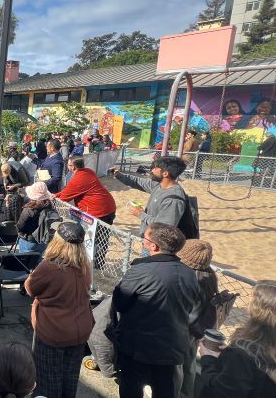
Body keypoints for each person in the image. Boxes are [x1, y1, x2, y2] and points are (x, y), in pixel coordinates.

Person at [112, 223, 198, 398]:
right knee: (164, 387)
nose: (143, 240)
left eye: (145, 237)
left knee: (131, 386)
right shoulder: (190, 273)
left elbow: (120, 303)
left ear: (154, 246)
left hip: (139, 346)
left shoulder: (142, 270)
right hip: (172, 345)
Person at [25, 222, 94, 397]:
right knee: (69, 380)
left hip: (53, 330)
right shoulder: (85, 264)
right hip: (80, 330)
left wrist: (33, 275)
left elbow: (30, 288)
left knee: (47, 382)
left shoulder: (50, 266)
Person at [197, 279, 276, 398]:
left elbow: (221, 391)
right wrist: (226, 356)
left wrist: (209, 360)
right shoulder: (272, 350)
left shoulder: (242, 354)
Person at [174, 239, 218, 398]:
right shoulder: (210, 275)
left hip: (180, 330)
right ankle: (186, 394)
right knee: (189, 365)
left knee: (175, 369)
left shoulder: (185, 277)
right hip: (197, 329)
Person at [111, 156, 188, 237]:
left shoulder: (173, 199)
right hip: (149, 239)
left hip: (157, 244)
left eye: (155, 168)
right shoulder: (159, 186)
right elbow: (138, 182)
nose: (152, 170)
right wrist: (118, 175)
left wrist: (141, 214)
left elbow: (164, 227)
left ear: (165, 173)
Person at [16, 182, 53, 254]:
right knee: (39, 262)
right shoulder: (49, 206)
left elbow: (20, 226)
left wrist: (20, 232)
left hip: (29, 241)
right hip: (44, 240)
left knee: (27, 263)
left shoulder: (29, 210)